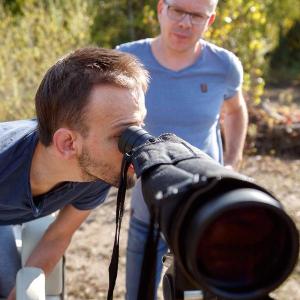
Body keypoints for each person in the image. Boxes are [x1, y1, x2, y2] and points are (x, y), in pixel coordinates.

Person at [117, 0, 249, 299]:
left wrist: (231, 161)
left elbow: (236, 111)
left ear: (210, 20)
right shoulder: (126, 58)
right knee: (139, 294)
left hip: (203, 205)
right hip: (147, 202)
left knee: (201, 294)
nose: (185, 23)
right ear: (161, 8)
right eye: (178, 10)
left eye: (197, 15)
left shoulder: (225, 66)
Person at [0, 47, 148, 299]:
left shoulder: (99, 169)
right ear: (68, 143)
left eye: (140, 125)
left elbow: (58, 235)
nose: (138, 145)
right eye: (123, 135)